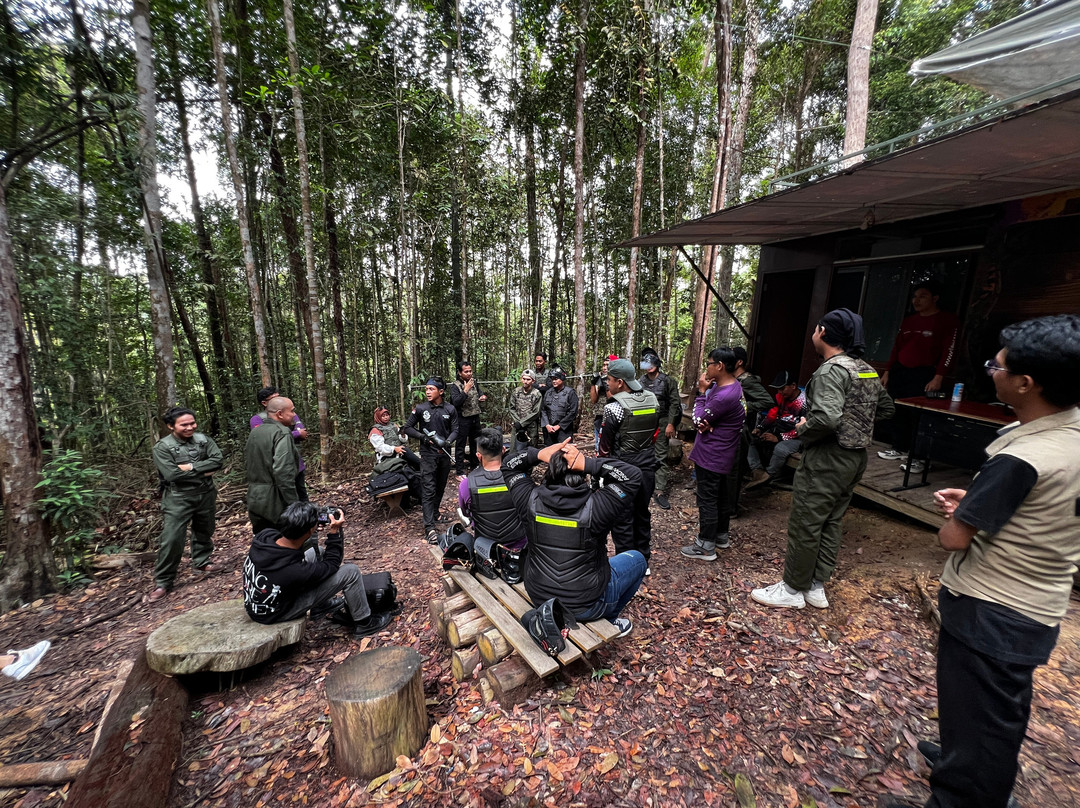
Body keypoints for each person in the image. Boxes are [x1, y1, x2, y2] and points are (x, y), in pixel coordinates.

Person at [880, 315, 1080, 808]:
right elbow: (1038, 504)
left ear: (1025, 383)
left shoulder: (1024, 455)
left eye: (999, 365)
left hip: (995, 606)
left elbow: (952, 538)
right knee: (989, 713)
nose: (992, 371)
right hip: (1037, 598)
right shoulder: (1069, 435)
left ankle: (965, 790)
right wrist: (982, 503)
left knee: (984, 716)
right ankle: (964, 758)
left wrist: (965, 514)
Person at [751, 309, 894, 609]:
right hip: (856, 458)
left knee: (806, 522)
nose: (813, 334)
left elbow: (826, 418)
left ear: (824, 333)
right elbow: (885, 410)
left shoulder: (831, 371)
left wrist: (805, 428)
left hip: (828, 459)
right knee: (831, 521)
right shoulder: (865, 369)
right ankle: (815, 585)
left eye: (816, 329)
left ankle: (792, 589)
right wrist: (854, 424)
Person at [502, 437, 645, 635]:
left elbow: (509, 466)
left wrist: (538, 454)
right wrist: (588, 463)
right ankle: (610, 620)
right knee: (637, 560)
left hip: (540, 596)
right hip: (587, 604)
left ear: (549, 472)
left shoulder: (529, 500)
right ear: (582, 474)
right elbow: (633, 475)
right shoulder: (600, 505)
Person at [242, 503, 394, 637]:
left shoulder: (265, 536)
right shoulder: (292, 571)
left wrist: (311, 527)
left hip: (260, 602)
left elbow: (296, 547)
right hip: (275, 613)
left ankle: (321, 606)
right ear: (307, 532)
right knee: (351, 572)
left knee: (317, 551)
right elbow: (333, 564)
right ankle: (365, 623)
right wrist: (334, 532)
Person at [878, 281, 959, 469]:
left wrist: (939, 376)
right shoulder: (909, 321)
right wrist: (888, 371)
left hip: (925, 373)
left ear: (935, 298)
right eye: (915, 296)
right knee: (897, 410)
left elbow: (950, 350)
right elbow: (897, 347)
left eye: (922, 296)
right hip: (901, 370)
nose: (917, 300)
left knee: (919, 415)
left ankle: (918, 457)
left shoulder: (947, 320)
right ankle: (898, 447)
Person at [149, 407, 224, 602]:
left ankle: (201, 561)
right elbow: (172, 474)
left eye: (192, 423)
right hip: (178, 498)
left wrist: (190, 467)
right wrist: (204, 469)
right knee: (172, 538)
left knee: (205, 529)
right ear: (171, 426)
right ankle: (164, 580)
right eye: (184, 424)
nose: (190, 427)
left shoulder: (203, 440)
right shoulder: (162, 447)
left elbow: (218, 461)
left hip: (205, 494)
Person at [681, 348, 745, 561]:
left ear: (719, 366)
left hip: (712, 454)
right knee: (721, 496)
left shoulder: (724, 395)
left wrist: (700, 394)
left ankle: (705, 546)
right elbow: (707, 421)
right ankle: (721, 536)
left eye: (708, 363)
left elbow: (698, 421)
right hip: (723, 451)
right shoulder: (731, 386)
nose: (706, 368)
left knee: (707, 498)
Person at [599, 358, 660, 570]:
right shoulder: (652, 399)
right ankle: (643, 559)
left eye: (609, 379)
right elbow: (654, 434)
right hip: (647, 466)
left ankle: (626, 564)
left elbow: (605, 447)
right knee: (642, 512)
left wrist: (600, 473)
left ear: (620, 382)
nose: (607, 383)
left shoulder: (614, 408)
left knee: (622, 517)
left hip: (623, 469)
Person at [403, 377, 459, 544]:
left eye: (431, 389)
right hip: (428, 455)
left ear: (440, 391)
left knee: (441, 486)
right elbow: (408, 428)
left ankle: (435, 513)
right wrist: (424, 438)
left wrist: (447, 442)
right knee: (429, 488)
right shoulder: (420, 409)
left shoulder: (450, 409)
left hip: (444, 454)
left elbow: (456, 429)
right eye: (426, 389)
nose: (427, 392)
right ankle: (429, 528)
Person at [458, 427, 529, 552]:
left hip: (485, 549)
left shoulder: (466, 484)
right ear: (503, 450)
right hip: (520, 547)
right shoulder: (519, 478)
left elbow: (465, 513)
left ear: (478, 455)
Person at [246, 396, 302, 535]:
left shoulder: (255, 432)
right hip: (275, 498)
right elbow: (283, 471)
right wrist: (294, 504)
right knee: (287, 540)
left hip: (255, 497)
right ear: (280, 414)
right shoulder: (282, 433)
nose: (294, 415)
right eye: (292, 411)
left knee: (264, 539)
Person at [728, 346, 774, 512]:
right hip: (731, 429)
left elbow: (768, 401)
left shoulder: (748, 381)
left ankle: (731, 508)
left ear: (739, 362)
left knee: (735, 471)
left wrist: (743, 406)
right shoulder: (733, 379)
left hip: (743, 429)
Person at [744, 370, 808, 490]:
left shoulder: (805, 402)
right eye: (778, 389)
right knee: (752, 439)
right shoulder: (780, 397)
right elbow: (772, 415)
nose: (779, 392)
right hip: (779, 430)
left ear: (793, 386)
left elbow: (804, 428)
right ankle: (757, 470)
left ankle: (768, 475)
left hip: (799, 437)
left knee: (781, 448)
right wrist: (760, 428)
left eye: (782, 388)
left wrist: (778, 438)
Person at [638, 348, 683, 510]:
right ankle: (644, 484)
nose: (649, 366)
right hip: (645, 422)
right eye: (646, 363)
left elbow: (674, 403)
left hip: (663, 421)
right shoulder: (641, 381)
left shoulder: (667, 381)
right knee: (643, 453)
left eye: (651, 362)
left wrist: (671, 423)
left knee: (660, 455)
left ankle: (659, 490)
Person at [251, 386, 310, 500]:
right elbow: (263, 439)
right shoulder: (257, 419)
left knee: (302, 495)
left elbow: (302, 430)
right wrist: (295, 434)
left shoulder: (289, 413)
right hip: (274, 466)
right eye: (273, 398)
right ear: (264, 403)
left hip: (297, 463)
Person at [368, 406, 422, 507]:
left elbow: (403, 440)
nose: (386, 417)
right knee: (405, 472)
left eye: (387, 415)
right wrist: (393, 449)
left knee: (416, 467)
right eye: (383, 416)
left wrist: (402, 435)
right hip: (387, 459)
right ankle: (408, 501)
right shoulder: (375, 431)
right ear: (378, 417)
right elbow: (380, 447)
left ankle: (422, 495)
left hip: (400, 453)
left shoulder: (394, 425)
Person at [449, 361, 487, 475]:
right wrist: (466, 389)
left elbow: (479, 393)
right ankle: (460, 470)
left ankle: (475, 465)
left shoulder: (474, 382)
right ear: (460, 373)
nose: (469, 373)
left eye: (470, 371)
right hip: (462, 418)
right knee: (460, 445)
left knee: (475, 443)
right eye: (466, 371)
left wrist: (482, 396)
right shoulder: (455, 386)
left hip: (475, 417)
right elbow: (455, 402)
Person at [541, 370, 579, 445]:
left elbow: (573, 412)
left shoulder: (570, 392)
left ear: (562, 379)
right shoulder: (548, 392)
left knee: (564, 452)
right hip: (549, 429)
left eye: (556, 379)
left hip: (564, 429)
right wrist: (547, 425)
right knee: (549, 452)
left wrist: (559, 426)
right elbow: (543, 410)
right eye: (552, 379)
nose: (554, 381)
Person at [508, 370, 543, 452]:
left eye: (528, 379)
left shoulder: (537, 394)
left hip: (531, 426)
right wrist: (518, 423)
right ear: (521, 379)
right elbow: (511, 408)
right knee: (513, 450)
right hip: (517, 424)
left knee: (530, 451)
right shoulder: (516, 392)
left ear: (533, 381)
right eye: (524, 379)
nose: (525, 381)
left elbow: (536, 412)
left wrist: (522, 423)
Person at [589, 355, 617, 451]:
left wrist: (606, 384)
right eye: (604, 365)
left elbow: (611, 398)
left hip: (612, 417)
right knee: (598, 444)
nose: (605, 367)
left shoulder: (617, 381)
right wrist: (593, 383)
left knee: (610, 444)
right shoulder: (601, 378)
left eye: (607, 365)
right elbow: (593, 400)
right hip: (600, 415)